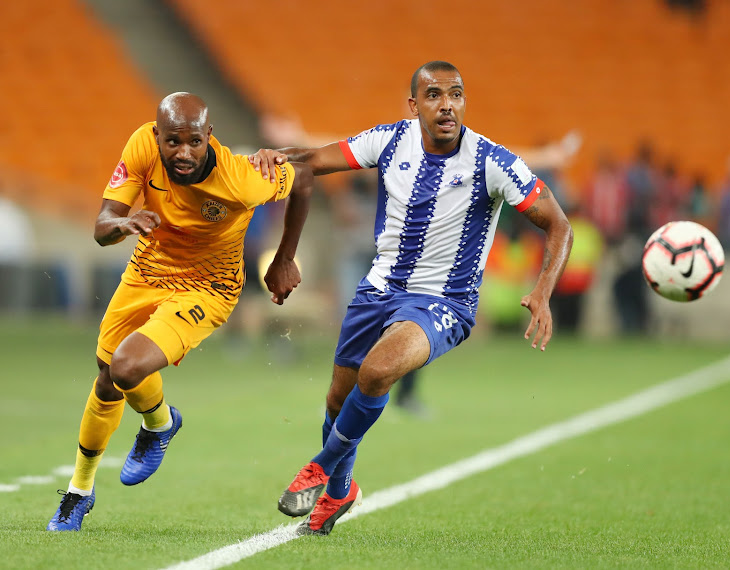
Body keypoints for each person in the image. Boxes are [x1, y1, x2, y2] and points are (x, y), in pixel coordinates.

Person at [251, 61, 573, 536]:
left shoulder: (491, 160)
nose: (447, 105)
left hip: (444, 302)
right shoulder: (391, 139)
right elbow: (316, 160)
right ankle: (341, 490)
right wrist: (276, 155)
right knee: (338, 401)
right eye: (435, 95)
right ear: (414, 104)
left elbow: (558, 224)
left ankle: (318, 469)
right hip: (377, 289)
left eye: (457, 94)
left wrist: (543, 291)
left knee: (378, 371)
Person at [46, 92, 314, 531]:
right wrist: (124, 225)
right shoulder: (141, 146)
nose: (183, 152)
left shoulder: (243, 179)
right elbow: (101, 228)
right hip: (145, 273)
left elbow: (303, 178)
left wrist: (285, 256)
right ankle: (81, 489)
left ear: (209, 136)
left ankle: (157, 424)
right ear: (157, 136)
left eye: (193, 141)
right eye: (173, 142)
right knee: (105, 375)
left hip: (207, 288)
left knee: (125, 368)